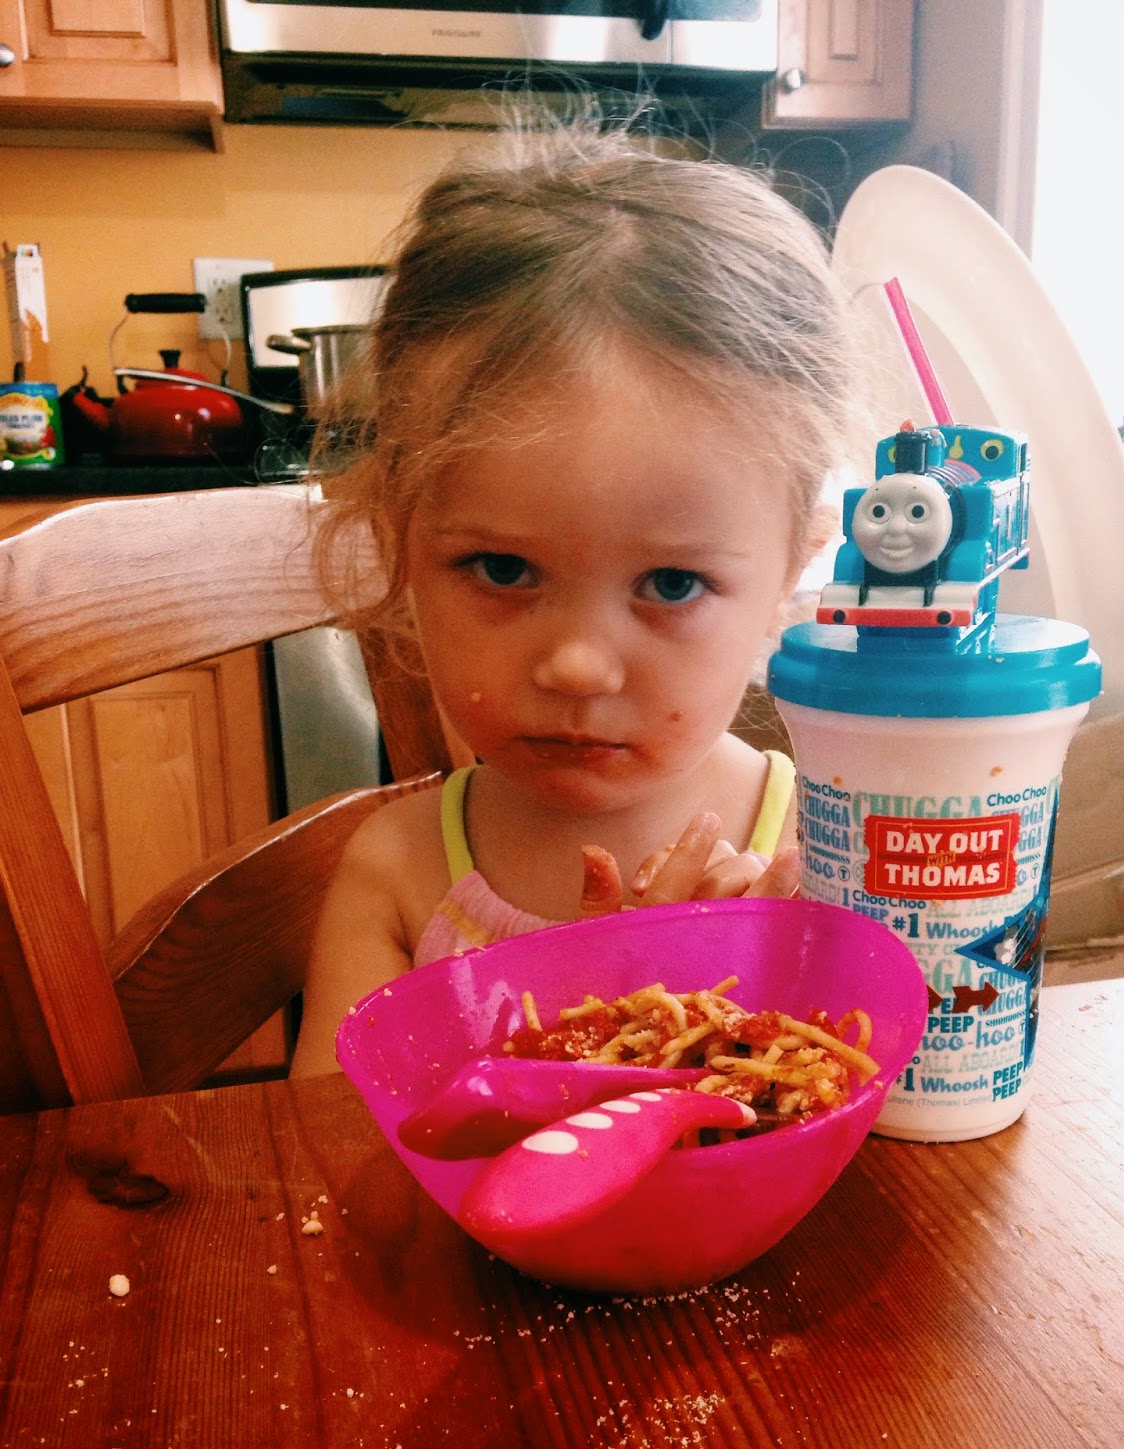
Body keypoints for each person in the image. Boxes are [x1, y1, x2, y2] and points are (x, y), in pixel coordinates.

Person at [289, 118, 862, 1078]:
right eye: (502, 569)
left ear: (788, 575)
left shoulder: (827, 858)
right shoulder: (397, 877)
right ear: (399, 544)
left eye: (672, 584)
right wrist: (601, 1014)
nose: (579, 666)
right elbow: (332, 1149)